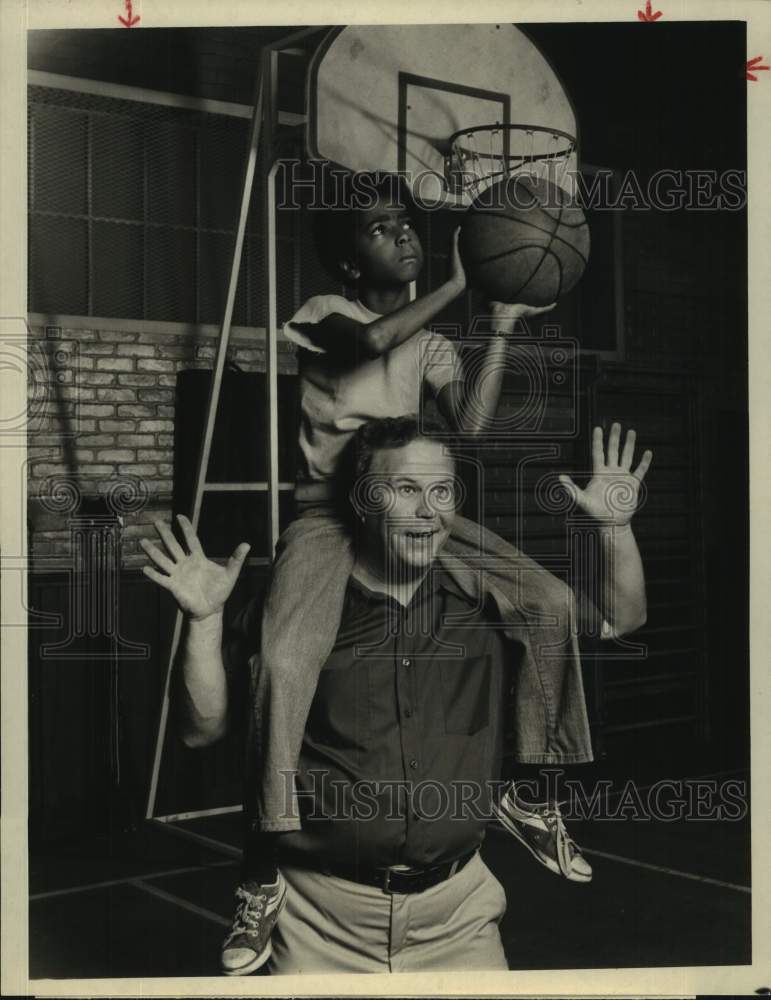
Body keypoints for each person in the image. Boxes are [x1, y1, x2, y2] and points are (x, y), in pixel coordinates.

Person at [142, 416, 652, 973]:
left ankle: (526, 800)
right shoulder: (294, 606)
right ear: (362, 500)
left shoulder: (486, 601)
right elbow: (200, 729)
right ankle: (258, 880)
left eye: (441, 492)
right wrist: (205, 620)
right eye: (406, 489)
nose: (427, 511)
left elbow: (618, 619)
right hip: (318, 925)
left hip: (459, 919)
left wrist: (614, 529)